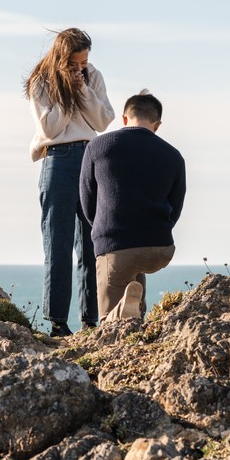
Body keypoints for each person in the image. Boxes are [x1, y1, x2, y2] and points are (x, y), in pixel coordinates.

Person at [25, 28, 115, 336]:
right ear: (63, 58)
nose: (81, 68)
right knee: (57, 243)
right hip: (58, 159)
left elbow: (103, 121)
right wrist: (67, 91)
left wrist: (83, 89)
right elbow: (50, 129)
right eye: (75, 63)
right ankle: (58, 323)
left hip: (92, 157)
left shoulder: (94, 76)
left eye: (85, 62)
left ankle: (91, 321)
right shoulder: (42, 82)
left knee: (92, 243)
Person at [79, 91, 186, 323]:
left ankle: (120, 314)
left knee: (109, 322)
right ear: (157, 125)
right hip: (161, 248)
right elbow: (176, 204)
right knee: (134, 264)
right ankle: (135, 310)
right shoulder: (174, 155)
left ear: (124, 118)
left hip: (117, 246)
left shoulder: (98, 147)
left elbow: (87, 200)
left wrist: (103, 234)